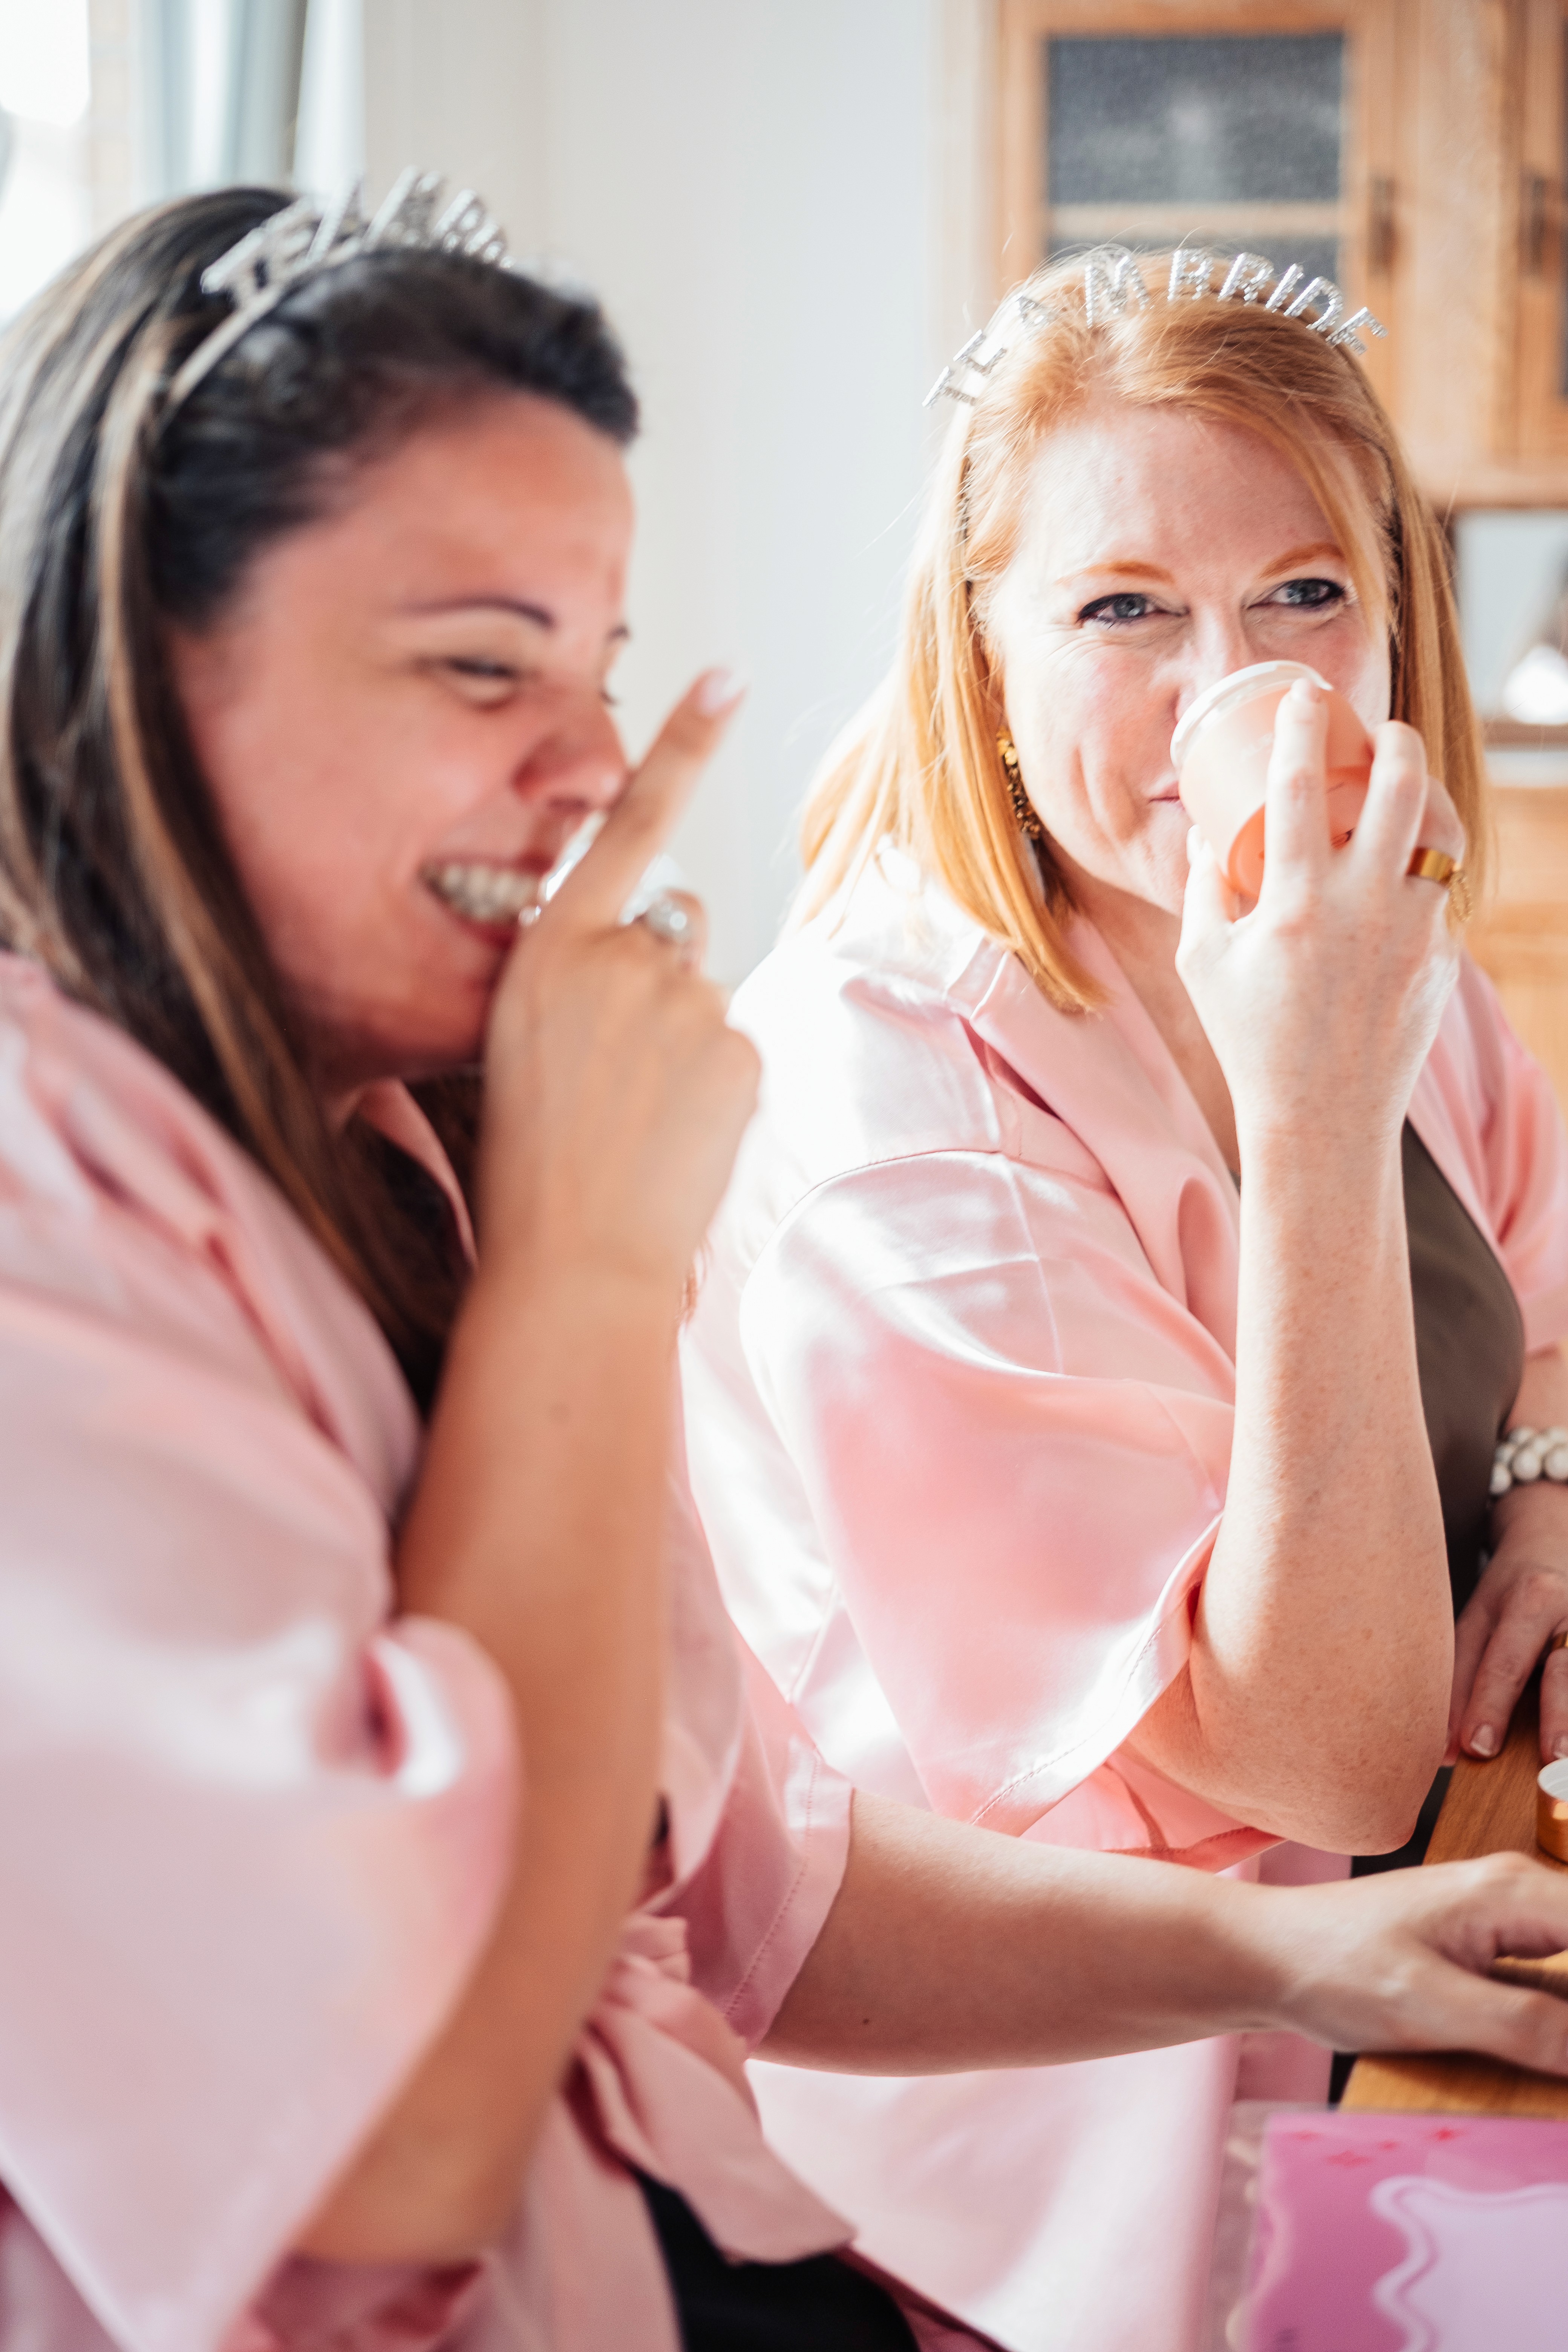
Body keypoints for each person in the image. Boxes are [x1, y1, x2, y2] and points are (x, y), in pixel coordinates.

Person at [6, 190, 1568, 2352]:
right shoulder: (110, 1237)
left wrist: (1314, 1948)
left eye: (599, 664)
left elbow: (738, 1878)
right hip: (1013, 2190)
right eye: (481, 661)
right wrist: (583, 1261)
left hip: (737, 2229)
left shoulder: (403, 1145)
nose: (595, 776)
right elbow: (393, 2166)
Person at [679, 247, 1568, 2352]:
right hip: (1094, 2157)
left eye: (1304, 597)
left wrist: (1542, 1483)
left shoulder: (1349, 915)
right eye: (1121, 610)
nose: (1233, 690)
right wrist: (1316, 1095)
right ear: (976, 658)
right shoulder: (889, 1108)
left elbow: (1539, 1278)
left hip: (1433, 1927)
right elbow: (1317, 1760)